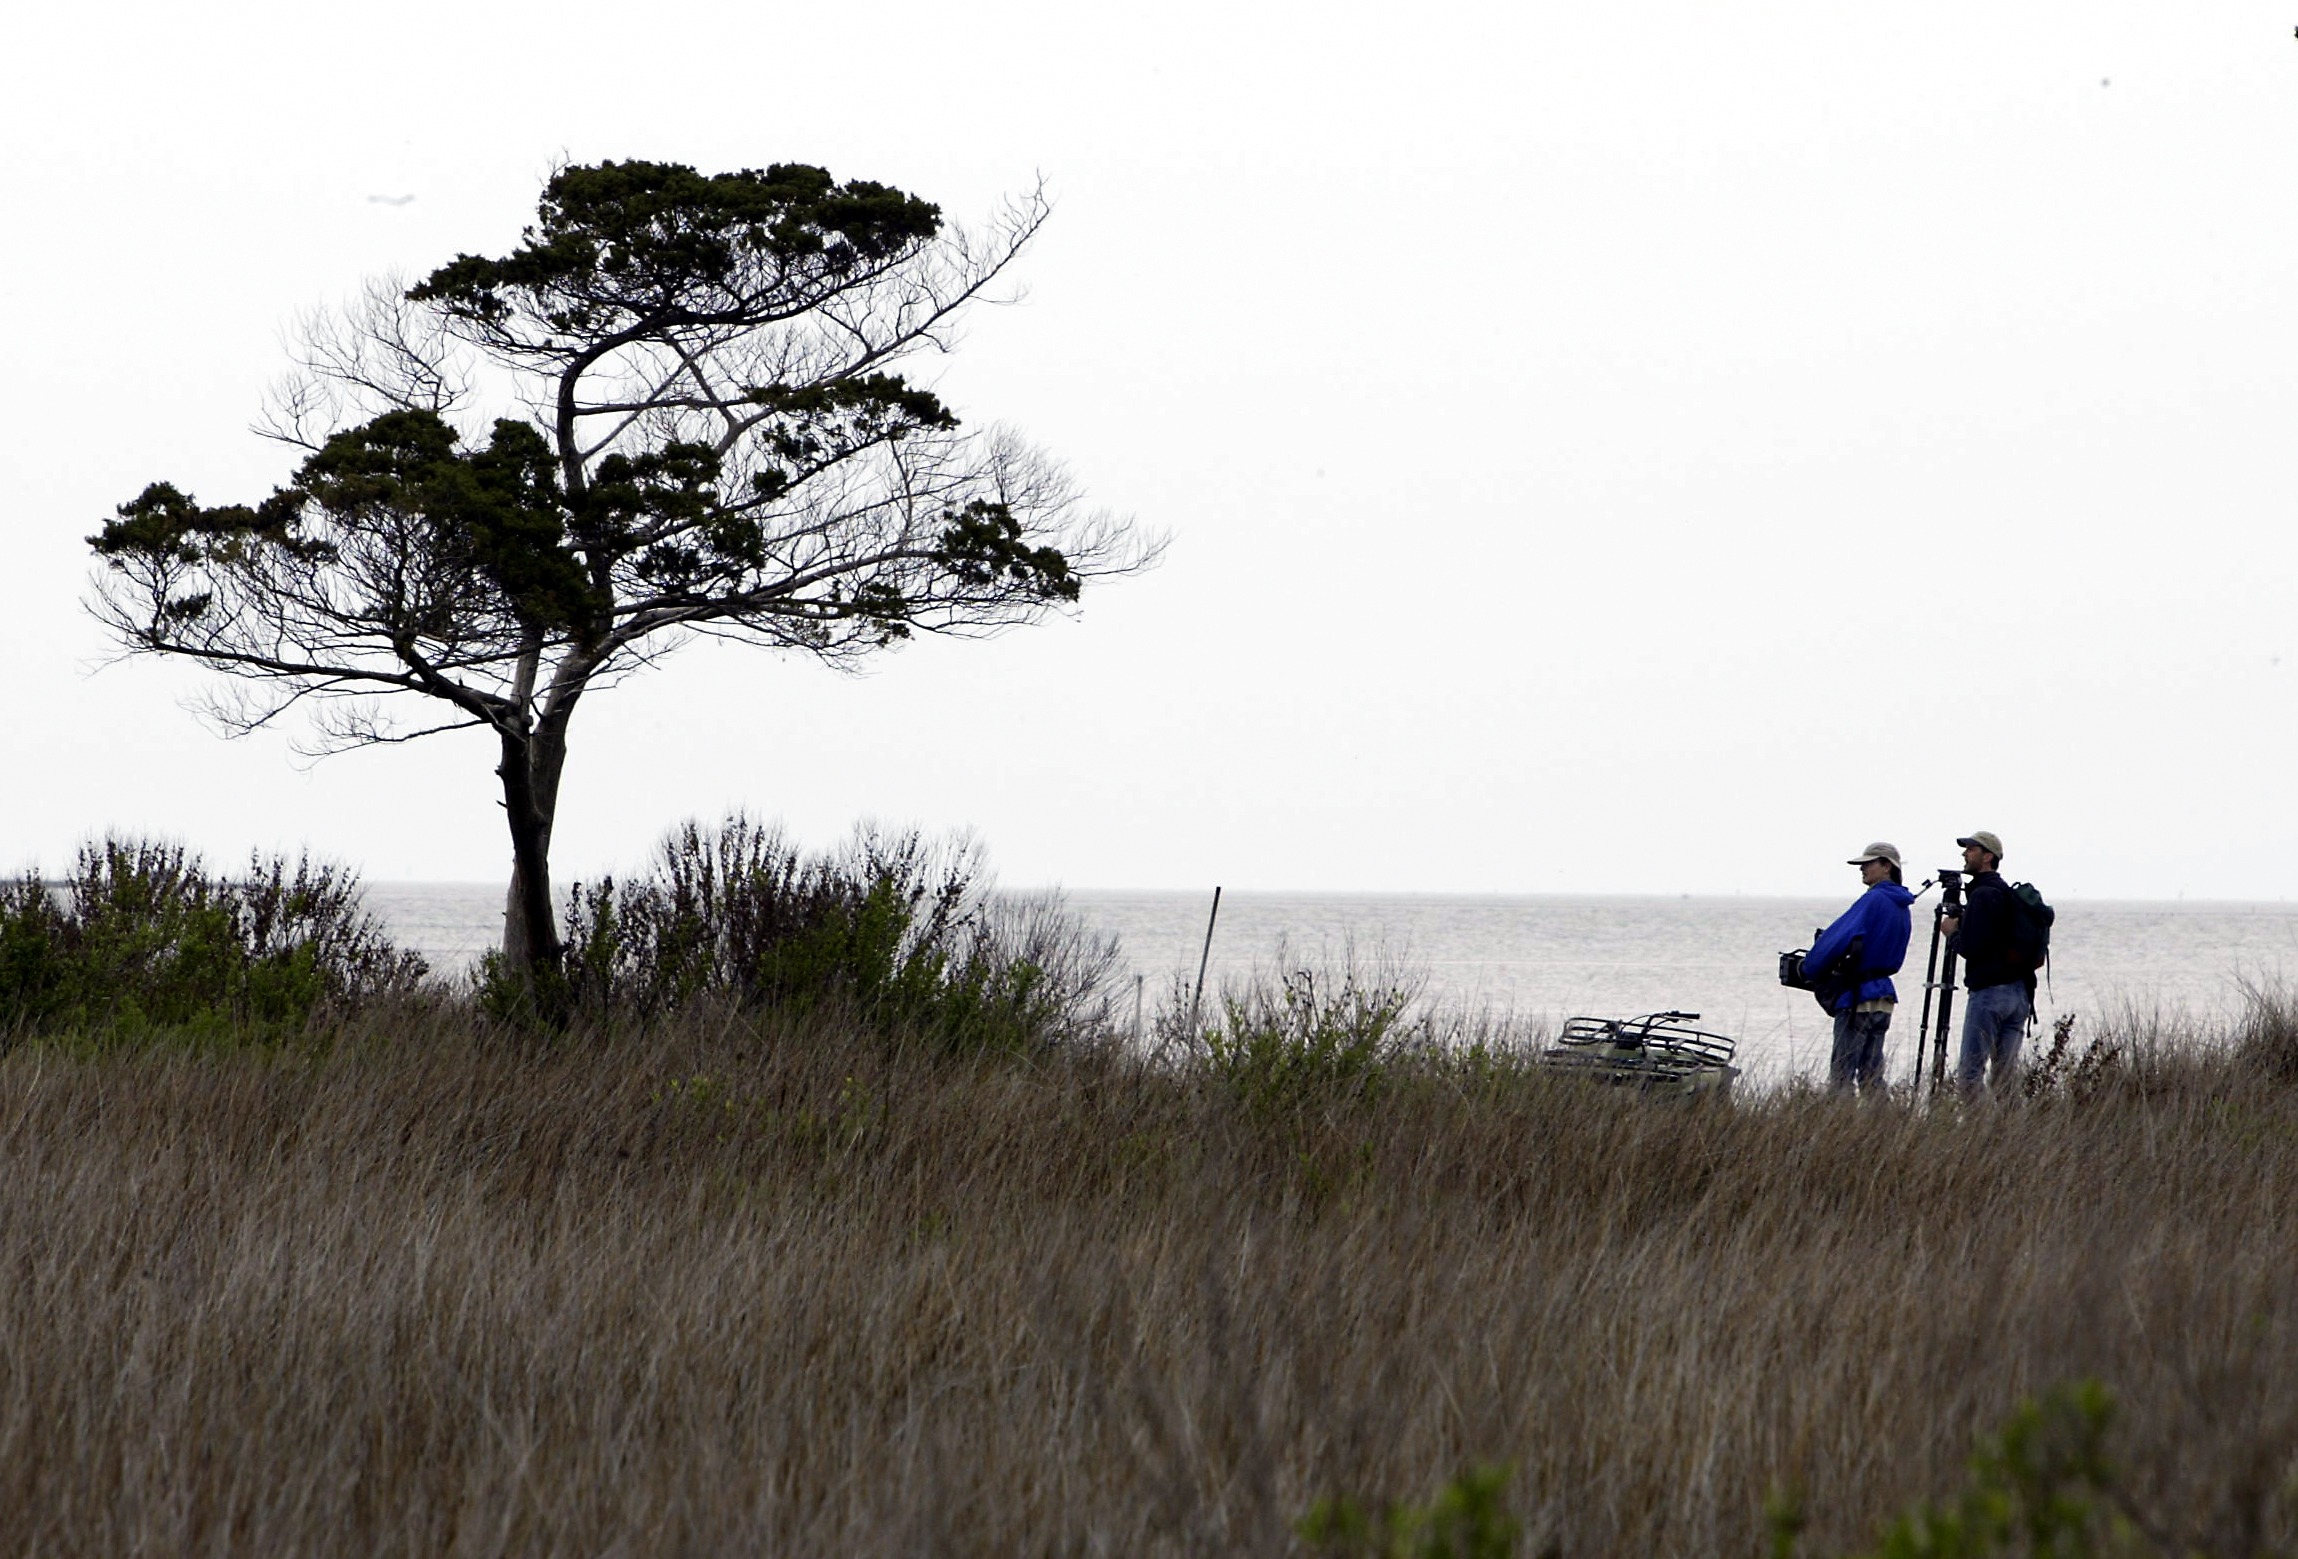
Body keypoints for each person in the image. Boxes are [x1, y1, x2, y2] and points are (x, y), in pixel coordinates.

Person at [1805, 842, 1916, 1094]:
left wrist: (1809, 968)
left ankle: (1840, 1129)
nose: (1862, 869)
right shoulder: (1903, 907)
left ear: (1887, 866)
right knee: (1872, 1077)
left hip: (1857, 999)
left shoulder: (1873, 899)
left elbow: (1835, 939)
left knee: (1842, 1076)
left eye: (1869, 863)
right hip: (1884, 997)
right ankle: (1882, 1126)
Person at [1942, 830, 2028, 1097]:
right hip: (2019, 993)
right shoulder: (2005, 892)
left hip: (1990, 995)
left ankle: (1976, 1135)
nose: (1964, 854)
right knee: (2004, 1078)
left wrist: (1952, 933)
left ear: (1987, 856)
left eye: (1971, 849)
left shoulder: (1982, 895)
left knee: (1969, 1076)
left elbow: (1972, 949)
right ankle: (2012, 1133)